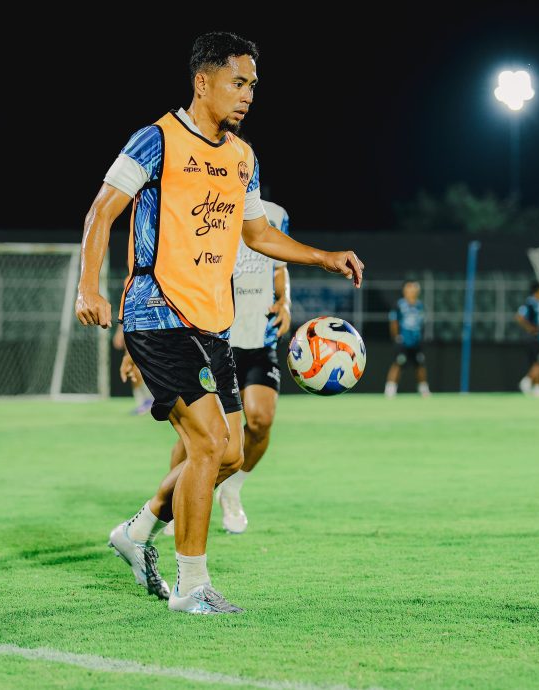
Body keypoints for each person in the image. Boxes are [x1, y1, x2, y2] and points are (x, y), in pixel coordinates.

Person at [74, 31, 364, 614]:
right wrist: (89, 286)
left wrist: (322, 256)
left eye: (253, 85)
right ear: (202, 81)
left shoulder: (242, 157)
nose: (248, 94)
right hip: (158, 314)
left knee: (229, 452)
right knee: (207, 443)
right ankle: (191, 587)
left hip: (215, 323)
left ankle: (135, 532)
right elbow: (102, 209)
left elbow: (257, 234)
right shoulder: (156, 140)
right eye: (239, 82)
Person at [163, 198, 291, 536]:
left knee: (261, 421)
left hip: (260, 337)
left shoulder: (275, 216)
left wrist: (285, 300)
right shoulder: (208, 210)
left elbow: (280, 268)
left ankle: (231, 490)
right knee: (199, 429)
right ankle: (171, 505)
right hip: (217, 338)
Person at [385, 280, 430, 397]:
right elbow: (393, 321)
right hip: (403, 341)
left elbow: (422, 323)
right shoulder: (399, 305)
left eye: (414, 288)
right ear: (405, 290)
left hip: (416, 341)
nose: (412, 291)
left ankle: (423, 389)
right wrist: (396, 337)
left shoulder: (420, 305)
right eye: (409, 288)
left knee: (420, 364)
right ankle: (390, 389)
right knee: (398, 363)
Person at [515, 280, 539, 396]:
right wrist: (530, 328)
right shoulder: (531, 303)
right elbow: (519, 317)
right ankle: (528, 381)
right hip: (535, 338)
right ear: (538, 290)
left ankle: (537, 386)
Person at [113, 324, 153, 415]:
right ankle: (145, 401)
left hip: (151, 323)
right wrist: (120, 331)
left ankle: (150, 400)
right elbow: (124, 310)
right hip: (133, 324)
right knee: (133, 364)